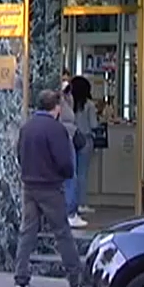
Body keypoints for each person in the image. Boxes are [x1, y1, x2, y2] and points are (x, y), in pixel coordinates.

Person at [13, 89, 84, 287]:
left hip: (29, 186)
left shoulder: (27, 127)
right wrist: (64, 175)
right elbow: (65, 162)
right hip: (51, 187)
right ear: (57, 108)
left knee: (27, 233)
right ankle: (75, 282)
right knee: (62, 232)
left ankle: (20, 281)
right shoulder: (56, 129)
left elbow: (19, 154)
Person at [59, 80, 87, 228]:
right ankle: (70, 212)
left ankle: (70, 211)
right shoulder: (58, 100)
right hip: (65, 137)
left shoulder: (67, 99)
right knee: (71, 176)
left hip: (68, 136)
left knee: (73, 175)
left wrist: (68, 96)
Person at [70, 76, 98, 215]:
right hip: (86, 141)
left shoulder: (69, 103)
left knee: (72, 173)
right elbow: (94, 125)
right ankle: (82, 203)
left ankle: (72, 203)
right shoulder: (89, 105)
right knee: (83, 174)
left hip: (72, 139)